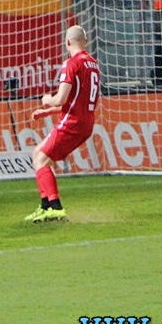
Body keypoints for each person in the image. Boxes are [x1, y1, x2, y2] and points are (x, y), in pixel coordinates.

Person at [26, 25, 99, 223]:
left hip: (72, 122)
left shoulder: (71, 63)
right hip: (86, 122)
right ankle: (45, 206)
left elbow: (61, 98)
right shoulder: (93, 64)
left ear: (67, 42)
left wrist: (47, 100)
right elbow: (77, 100)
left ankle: (55, 207)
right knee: (39, 156)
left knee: (41, 160)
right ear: (85, 41)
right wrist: (48, 112)